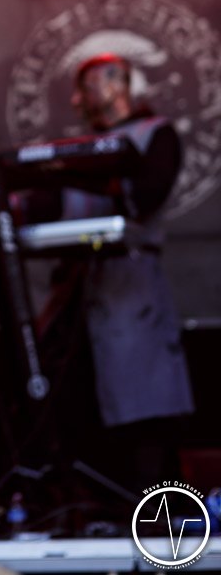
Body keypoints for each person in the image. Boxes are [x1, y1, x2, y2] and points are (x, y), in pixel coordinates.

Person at [40, 53, 195, 496]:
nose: (76, 100)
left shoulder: (156, 135)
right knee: (71, 394)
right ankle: (88, 502)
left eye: (85, 88)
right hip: (79, 286)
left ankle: (154, 506)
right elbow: (43, 207)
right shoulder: (79, 147)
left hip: (130, 282)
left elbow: (144, 196)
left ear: (115, 85)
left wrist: (77, 171)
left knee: (143, 395)